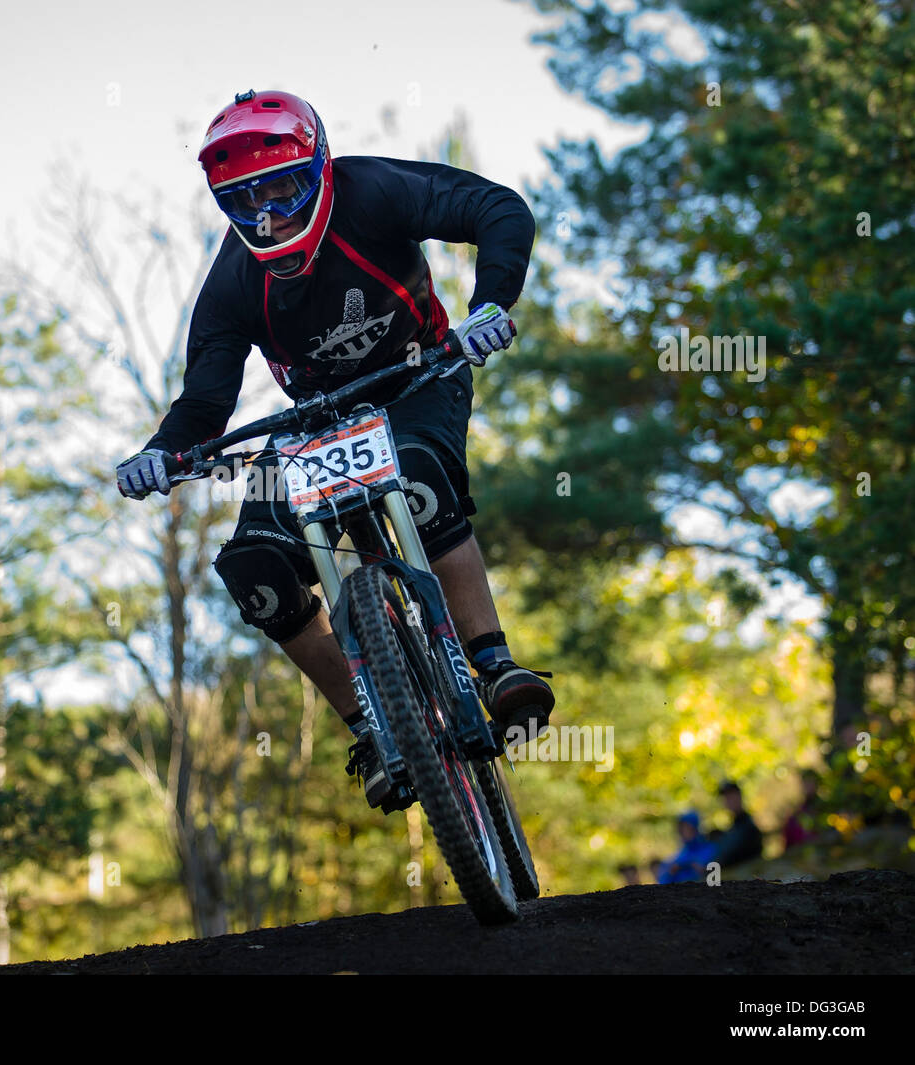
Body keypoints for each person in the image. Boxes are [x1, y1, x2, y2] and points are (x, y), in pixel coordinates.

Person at [115, 90, 554, 809]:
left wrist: (489, 305)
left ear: (318, 170)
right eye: (242, 200)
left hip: (419, 373)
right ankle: (375, 728)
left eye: (282, 189)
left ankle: (495, 665)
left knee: (413, 473)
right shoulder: (233, 280)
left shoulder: (372, 191)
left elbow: (498, 210)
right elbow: (205, 401)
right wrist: (162, 453)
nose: (268, 215)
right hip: (316, 419)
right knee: (251, 565)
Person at [713, 779, 764, 866]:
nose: (729, 801)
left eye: (731, 796)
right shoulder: (733, 828)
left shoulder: (748, 827)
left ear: (739, 796)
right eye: (726, 797)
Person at [656, 811, 717, 884]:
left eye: (686, 828)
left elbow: (706, 871)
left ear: (695, 829)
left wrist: (686, 864)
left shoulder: (710, 848)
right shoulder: (679, 855)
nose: (681, 832)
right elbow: (662, 881)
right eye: (680, 829)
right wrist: (671, 872)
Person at [782, 769, 822, 850]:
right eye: (806, 783)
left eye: (811, 782)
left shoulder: (824, 809)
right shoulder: (796, 814)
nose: (809, 786)